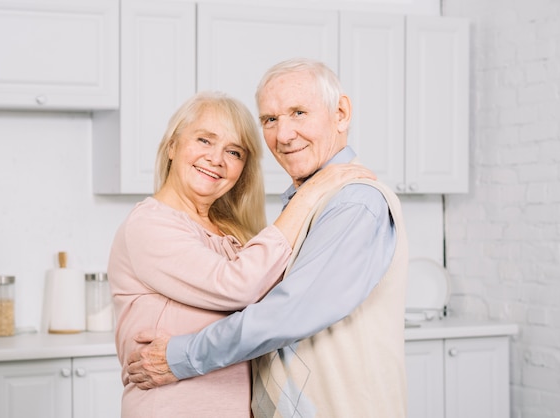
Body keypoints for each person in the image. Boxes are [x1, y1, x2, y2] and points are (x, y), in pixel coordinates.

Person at [126, 58, 410, 417]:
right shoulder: (306, 205)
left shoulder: (354, 202)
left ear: (340, 113)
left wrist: (180, 356)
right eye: (270, 120)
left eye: (299, 113)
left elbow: (285, 313)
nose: (284, 135)